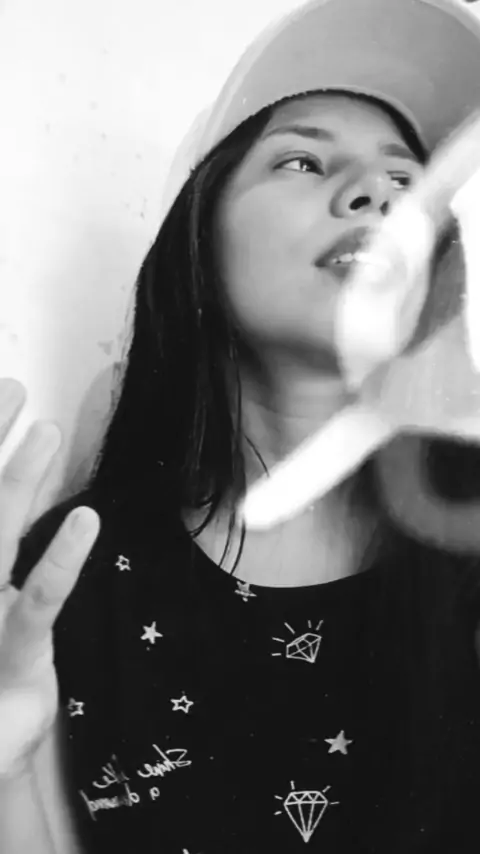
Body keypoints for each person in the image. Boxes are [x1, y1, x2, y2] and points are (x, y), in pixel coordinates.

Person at [2, 0, 480, 851]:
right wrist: (6, 772)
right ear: (197, 236)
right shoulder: (65, 580)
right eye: (302, 159)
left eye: (408, 182)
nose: (376, 195)